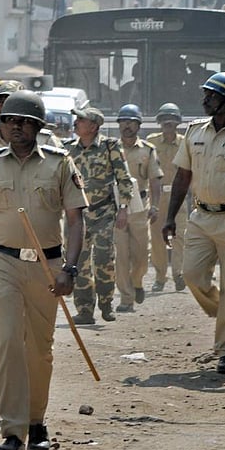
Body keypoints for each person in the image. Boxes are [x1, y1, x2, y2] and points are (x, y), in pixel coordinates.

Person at [0, 91, 87, 450]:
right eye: (9, 121)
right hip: (1, 262)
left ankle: (37, 422)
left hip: (47, 267)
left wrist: (70, 270)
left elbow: (76, 220)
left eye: (25, 122)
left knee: (38, 350)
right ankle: (12, 432)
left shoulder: (59, 164)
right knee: (8, 342)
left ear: (39, 127)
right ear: (1, 124)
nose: (16, 127)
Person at [0, 88, 64, 417]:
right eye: (2, 105)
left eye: (15, 105)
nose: (9, 113)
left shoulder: (53, 149)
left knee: (31, 334)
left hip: (35, 245)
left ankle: (28, 403)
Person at [163, 71, 225, 376]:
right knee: (191, 273)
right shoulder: (195, 131)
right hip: (201, 218)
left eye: (212, 96)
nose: (205, 101)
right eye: (206, 94)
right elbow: (182, 177)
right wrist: (169, 218)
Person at [64, 107, 134, 325]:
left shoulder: (109, 146)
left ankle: (106, 302)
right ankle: (84, 309)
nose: (76, 123)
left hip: (104, 212)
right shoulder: (68, 149)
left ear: (93, 126)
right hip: (78, 216)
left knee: (104, 259)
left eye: (81, 120)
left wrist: (123, 208)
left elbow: (124, 179)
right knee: (79, 262)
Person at [113, 104, 162, 313]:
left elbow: (155, 180)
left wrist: (156, 206)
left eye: (131, 122)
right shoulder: (111, 149)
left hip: (140, 206)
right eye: (123, 121)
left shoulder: (148, 150)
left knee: (142, 255)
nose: (126, 125)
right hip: (116, 208)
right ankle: (126, 299)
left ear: (138, 125)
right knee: (121, 255)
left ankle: (137, 281)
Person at [148, 103, 187, 292]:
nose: (168, 126)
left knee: (180, 235)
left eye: (171, 123)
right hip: (158, 196)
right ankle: (160, 277)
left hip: (178, 196)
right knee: (157, 237)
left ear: (177, 124)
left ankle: (178, 274)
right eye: (164, 123)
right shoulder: (151, 142)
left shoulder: (185, 143)